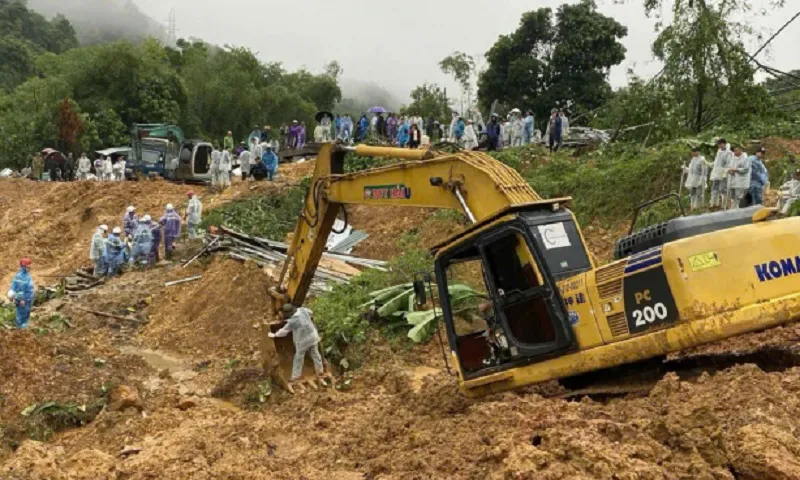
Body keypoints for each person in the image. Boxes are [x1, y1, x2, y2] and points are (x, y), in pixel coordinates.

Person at [268, 304, 329, 391]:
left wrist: (274, 335)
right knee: (315, 353)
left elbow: (284, 331)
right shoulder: (303, 310)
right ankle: (320, 371)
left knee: (299, 357)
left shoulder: (293, 321)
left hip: (303, 341)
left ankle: (295, 376)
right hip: (313, 336)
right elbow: (311, 312)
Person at [7, 258, 35, 329]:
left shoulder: (26, 276)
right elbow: (18, 289)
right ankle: (20, 332)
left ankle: (23, 331)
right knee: (21, 317)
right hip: (23, 301)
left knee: (26, 317)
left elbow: (13, 287)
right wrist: (21, 299)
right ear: (23, 267)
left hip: (28, 300)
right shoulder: (21, 277)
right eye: (28, 267)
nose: (29, 269)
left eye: (30, 267)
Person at [709, 138, 732, 208]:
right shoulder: (719, 151)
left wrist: (725, 172)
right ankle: (714, 203)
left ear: (724, 144)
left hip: (723, 173)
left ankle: (724, 205)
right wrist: (710, 164)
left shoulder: (729, 153)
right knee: (714, 187)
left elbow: (728, 164)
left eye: (720, 144)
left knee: (723, 188)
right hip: (716, 172)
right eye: (718, 144)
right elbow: (716, 161)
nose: (719, 146)